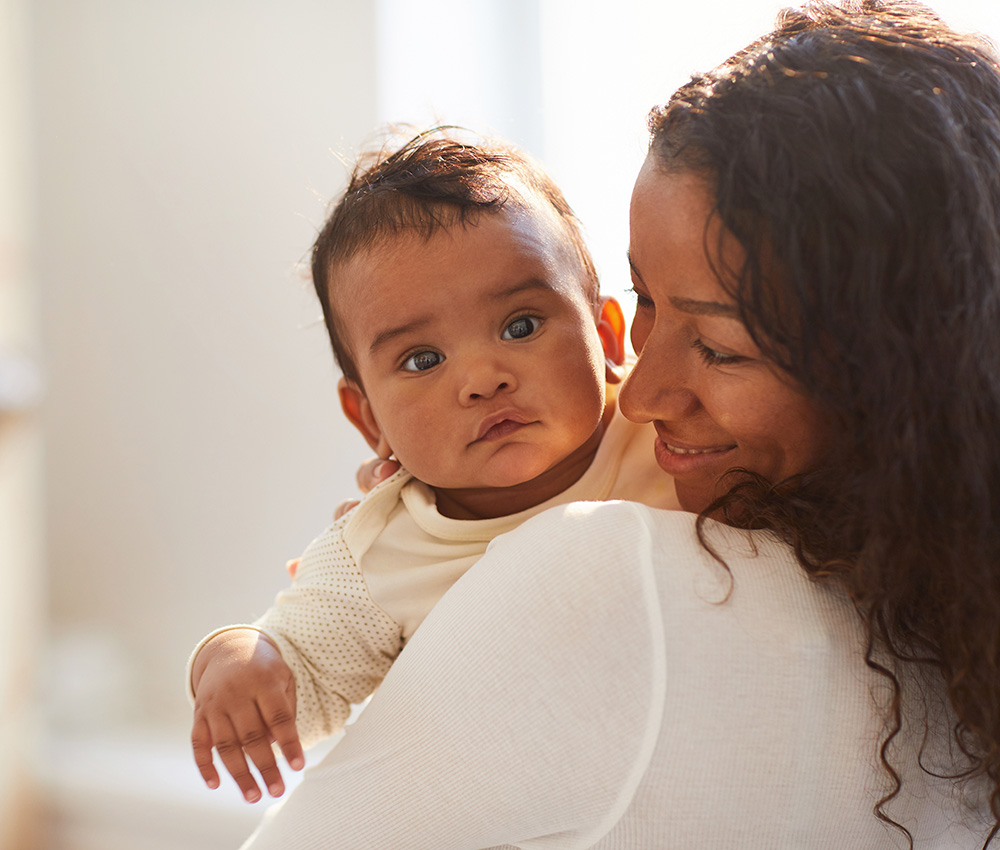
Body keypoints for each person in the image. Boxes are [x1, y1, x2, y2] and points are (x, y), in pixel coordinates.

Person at [229, 1, 1000, 847]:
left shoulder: (602, 568)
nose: (636, 395)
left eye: (718, 346)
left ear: (897, 373)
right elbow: (298, 665)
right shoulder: (949, 610)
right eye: (646, 304)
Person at [188, 131, 680, 803]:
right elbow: (303, 672)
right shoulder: (381, 547)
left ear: (607, 336)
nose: (482, 378)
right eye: (422, 359)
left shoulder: (668, 434)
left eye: (521, 326)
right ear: (369, 421)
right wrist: (236, 658)